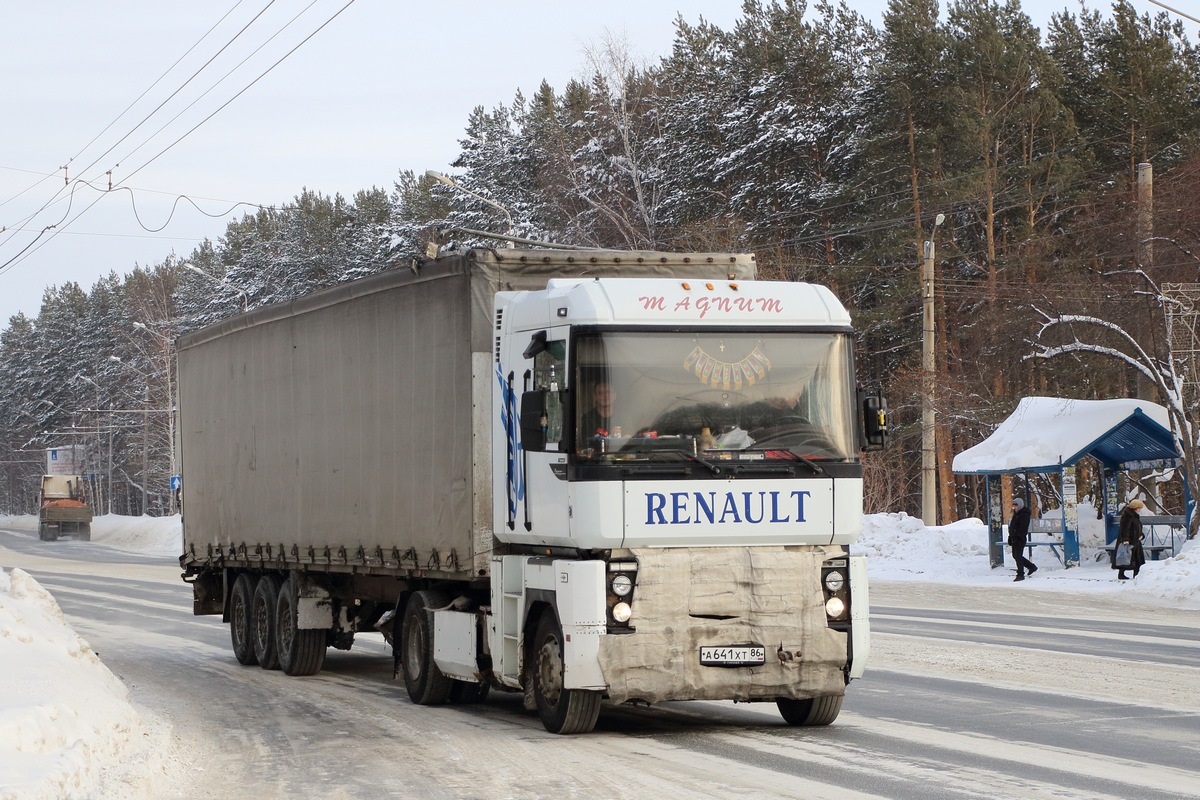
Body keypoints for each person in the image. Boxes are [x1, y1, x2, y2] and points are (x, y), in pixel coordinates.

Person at [1008, 497, 1038, 581]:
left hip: (1020, 538)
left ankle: (1020, 574)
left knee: (1018, 556)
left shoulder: (1024, 515)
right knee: (1015, 555)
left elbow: (1023, 528)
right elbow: (1013, 526)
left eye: (1016, 506)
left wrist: (1018, 536)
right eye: (1014, 506)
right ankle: (1031, 566)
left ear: (1020, 505)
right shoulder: (1016, 514)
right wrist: (1010, 537)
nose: (1015, 507)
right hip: (1015, 537)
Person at [1116, 498, 1146, 580]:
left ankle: (1135, 574)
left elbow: (1137, 528)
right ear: (1135, 508)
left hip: (1135, 540)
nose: (1140, 510)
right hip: (1130, 540)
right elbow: (1124, 528)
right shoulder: (1128, 516)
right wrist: (1125, 539)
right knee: (1128, 557)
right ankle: (1122, 574)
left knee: (1135, 559)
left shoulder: (1134, 516)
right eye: (1139, 508)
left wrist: (1141, 535)